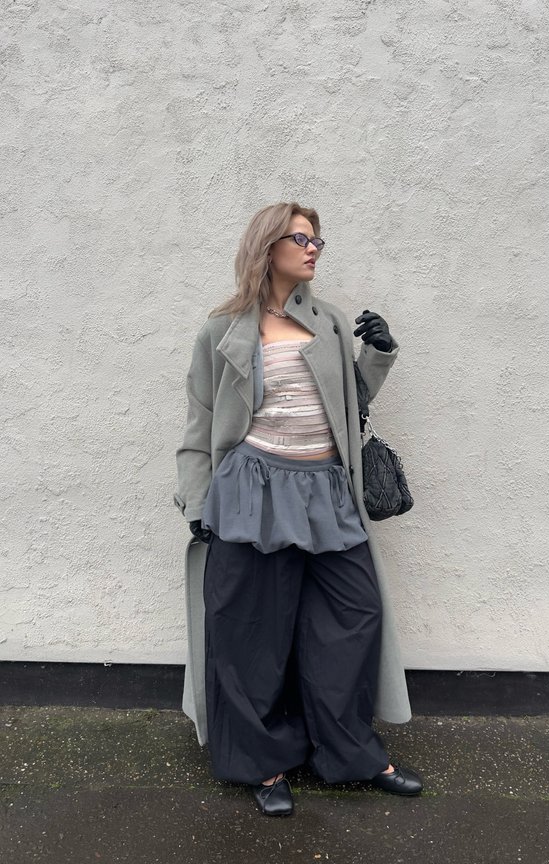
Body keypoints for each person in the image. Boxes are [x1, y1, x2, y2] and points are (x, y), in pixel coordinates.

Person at [174, 201, 423, 816]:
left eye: (318, 240)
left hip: (325, 491)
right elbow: (200, 421)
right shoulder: (222, 330)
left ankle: (350, 753)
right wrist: (198, 500)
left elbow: (348, 402)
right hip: (250, 492)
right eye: (301, 238)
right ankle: (264, 766)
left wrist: (379, 356)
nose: (314, 249)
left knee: (351, 618)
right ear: (268, 246)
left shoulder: (331, 322)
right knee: (252, 634)